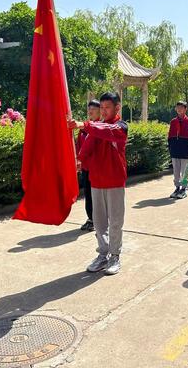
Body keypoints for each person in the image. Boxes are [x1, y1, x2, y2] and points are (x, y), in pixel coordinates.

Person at [68, 92, 128, 276]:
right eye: (101, 107)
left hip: (115, 181)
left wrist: (84, 125)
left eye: (107, 107)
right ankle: (103, 254)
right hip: (97, 180)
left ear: (117, 108)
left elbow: (106, 131)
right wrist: (77, 161)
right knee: (100, 222)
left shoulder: (121, 126)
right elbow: (86, 149)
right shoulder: (95, 128)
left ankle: (115, 255)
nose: (103, 111)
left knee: (115, 222)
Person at [76, 99, 101, 231]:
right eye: (89, 109)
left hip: (97, 168)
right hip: (86, 167)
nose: (91, 112)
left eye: (94, 109)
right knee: (88, 194)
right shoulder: (83, 129)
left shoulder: (100, 127)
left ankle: (99, 219)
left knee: (97, 195)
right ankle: (91, 218)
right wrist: (78, 161)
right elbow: (79, 146)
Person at [168, 101, 188, 199]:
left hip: (184, 150)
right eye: (177, 107)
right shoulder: (173, 122)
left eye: (181, 107)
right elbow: (170, 137)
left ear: (185, 109)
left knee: (184, 171)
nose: (179, 109)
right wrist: (170, 149)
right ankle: (177, 187)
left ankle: (183, 189)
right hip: (175, 149)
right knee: (176, 171)